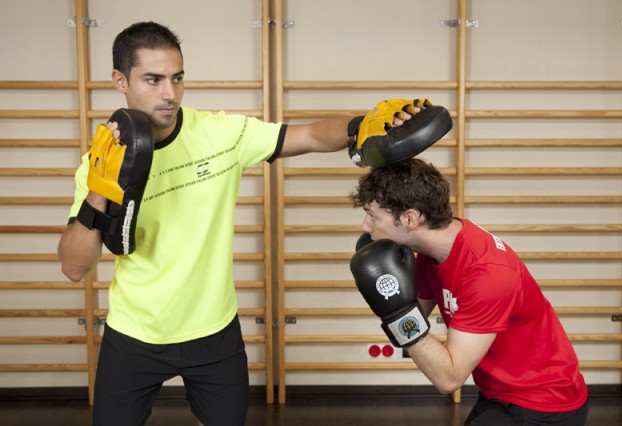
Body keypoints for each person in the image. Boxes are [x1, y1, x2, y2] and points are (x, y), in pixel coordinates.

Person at [57, 21, 418, 426]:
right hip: (135, 334)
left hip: (214, 332)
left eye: (177, 79)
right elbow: (74, 267)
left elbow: (310, 136)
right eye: (153, 80)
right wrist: (100, 187)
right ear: (120, 80)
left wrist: (362, 126)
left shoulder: (219, 133)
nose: (169, 94)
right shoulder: (101, 161)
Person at [350, 158, 589, 425]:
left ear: (410, 218)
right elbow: (416, 318)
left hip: (543, 403)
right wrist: (389, 295)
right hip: (500, 392)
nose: (365, 226)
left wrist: (396, 313)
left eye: (373, 216)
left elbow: (448, 378)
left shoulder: (488, 275)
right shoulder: (436, 251)